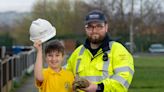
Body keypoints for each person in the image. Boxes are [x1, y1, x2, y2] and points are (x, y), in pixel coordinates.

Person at [66, 10, 134, 92]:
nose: (94, 30)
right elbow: (65, 76)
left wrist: (98, 87)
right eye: (90, 27)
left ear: (106, 27)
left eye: (99, 26)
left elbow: (123, 80)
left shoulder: (118, 50)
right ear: (85, 29)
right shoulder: (78, 52)